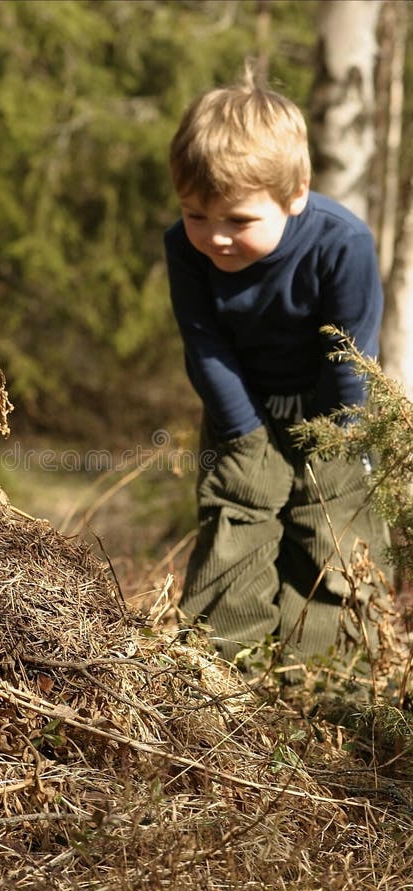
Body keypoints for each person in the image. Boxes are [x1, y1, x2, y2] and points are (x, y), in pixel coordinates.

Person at [164, 70, 390, 671]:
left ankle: (316, 683)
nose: (215, 238)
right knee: (236, 526)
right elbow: (203, 343)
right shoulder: (184, 247)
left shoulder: (343, 244)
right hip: (239, 406)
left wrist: (333, 436)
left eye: (238, 221)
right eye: (196, 215)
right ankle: (221, 677)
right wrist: (241, 432)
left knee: (329, 539)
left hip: (334, 411)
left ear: (295, 194)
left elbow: (349, 354)